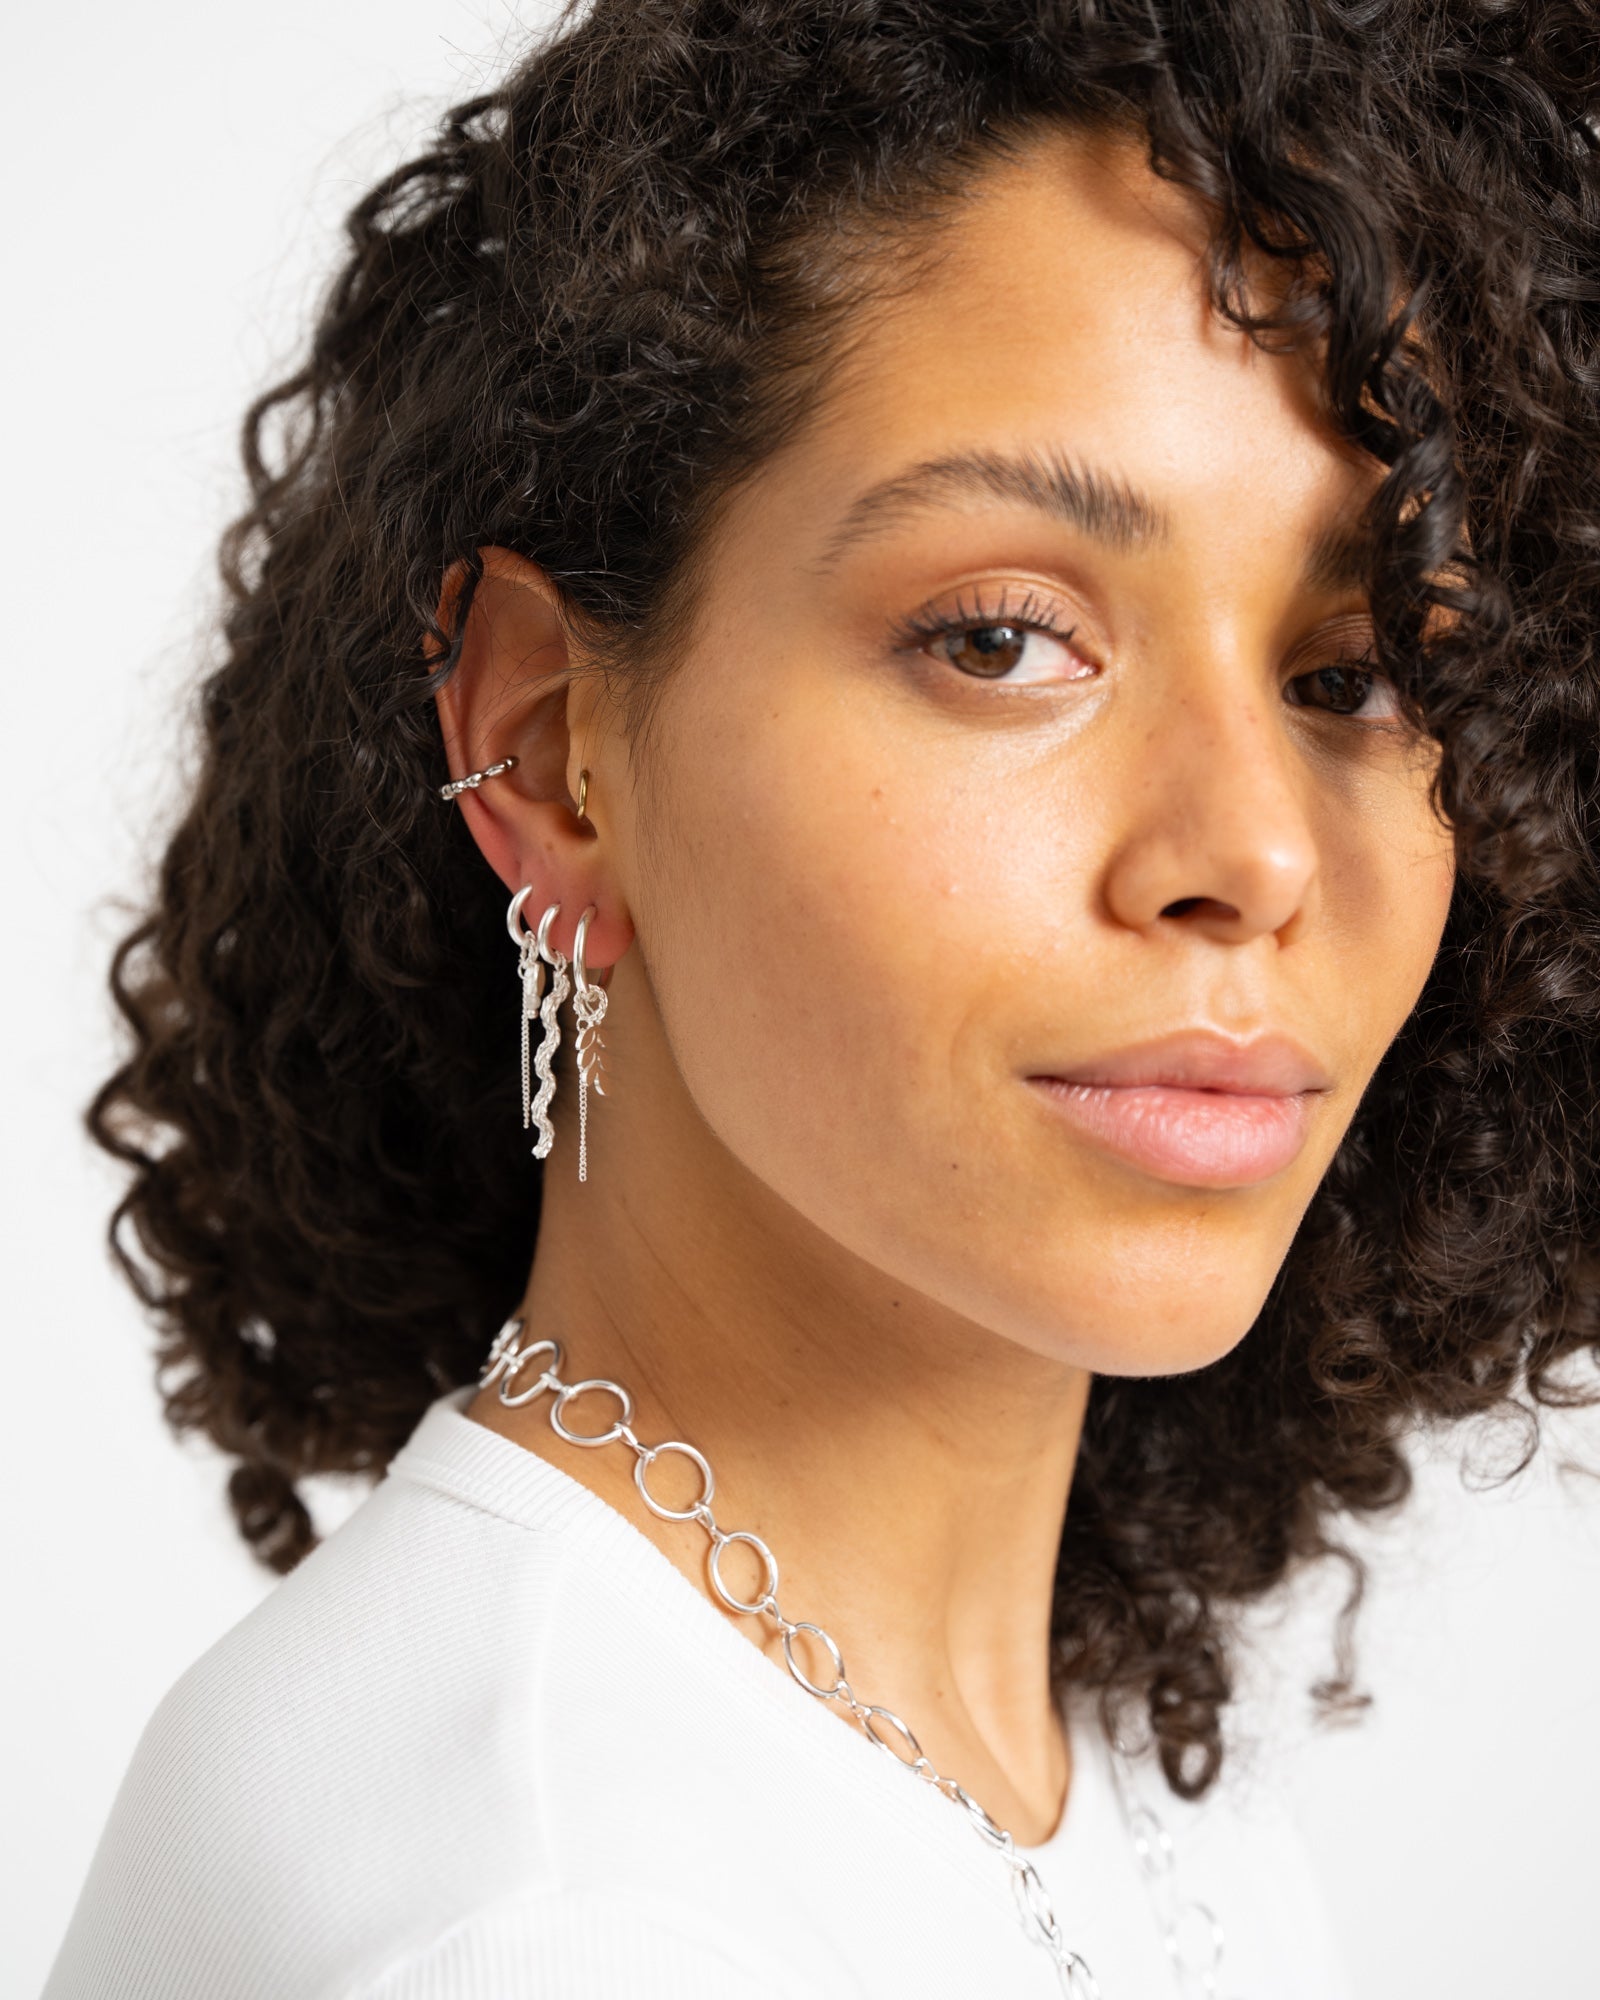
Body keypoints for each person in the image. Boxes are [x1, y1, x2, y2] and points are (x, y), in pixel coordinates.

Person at [43, 1, 1600, 1994]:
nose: (1253, 852)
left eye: (1352, 676)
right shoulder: (556, 1928)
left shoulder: (1068, 1765)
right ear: (550, 748)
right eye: (1001, 638)